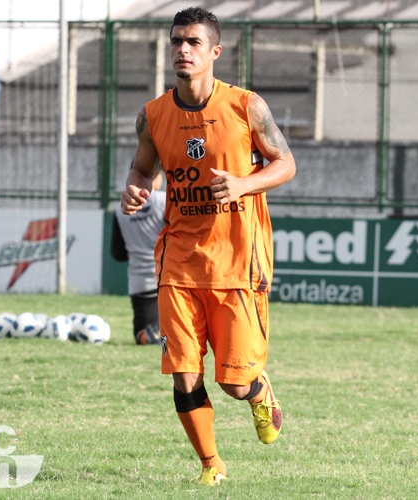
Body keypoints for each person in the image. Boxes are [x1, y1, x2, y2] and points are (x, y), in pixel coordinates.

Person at [120, 7, 296, 486]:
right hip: (178, 261)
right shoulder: (153, 115)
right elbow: (142, 169)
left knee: (234, 382)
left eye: (193, 42)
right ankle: (211, 466)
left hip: (238, 261)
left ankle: (258, 392)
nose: (183, 49)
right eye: (177, 41)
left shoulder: (246, 106)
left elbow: (285, 163)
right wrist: (135, 188)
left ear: (214, 51)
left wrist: (244, 184)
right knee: (184, 372)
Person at [111, 168, 165, 345]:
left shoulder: (120, 209)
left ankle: (148, 332)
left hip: (140, 284)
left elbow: (118, 253)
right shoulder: (165, 200)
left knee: (144, 335)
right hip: (169, 278)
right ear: (155, 176)